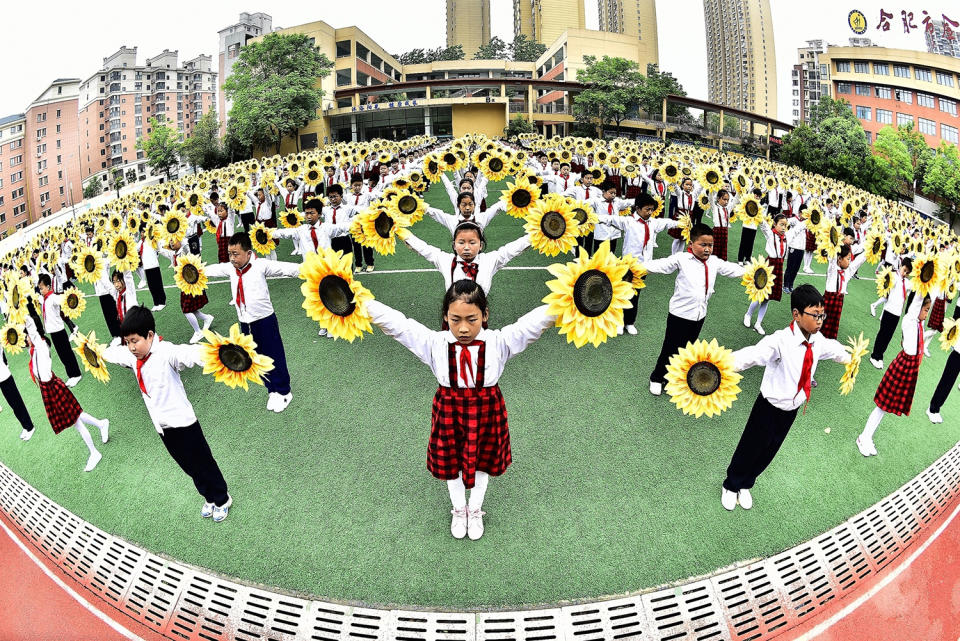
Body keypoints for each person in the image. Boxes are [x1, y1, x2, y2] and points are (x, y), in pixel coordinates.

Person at [366, 279, 556, 540]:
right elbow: (399, 325)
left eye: (472, 319)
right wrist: (360, 303)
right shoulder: (434, 342)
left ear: (485, 315)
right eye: (455, 320)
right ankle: (459, 509)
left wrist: (568, 301)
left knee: (482, 464)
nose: (464, 328)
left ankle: (475, 510)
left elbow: (533, 324)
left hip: (487, 409)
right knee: (451, 464)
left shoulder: (499, 341)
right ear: (445, 316)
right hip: (449, 409)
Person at [721, 284, 851, 511]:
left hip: (791, 409)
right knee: (751, 446)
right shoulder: (779, 341)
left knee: (770, 449)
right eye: (815, 315)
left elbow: (834, 349)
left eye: (823, 315)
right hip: (768, 407)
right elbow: (753, 355)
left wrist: (850, 358)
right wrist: (720, 363)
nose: (820, 320)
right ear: (797, 315)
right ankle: (731, 485)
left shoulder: (818, 341)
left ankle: (747, 483)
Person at [102, 306, 232, 522]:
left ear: (150, 335)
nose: (131, 347)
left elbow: (190, 353)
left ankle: (222, 498)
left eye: (135, 340)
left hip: (184, 423)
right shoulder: (132, 356)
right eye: (127, 342)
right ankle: (208, 496)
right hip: (162, 426)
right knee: (188, 466)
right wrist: (98, 352)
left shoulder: (166, 352)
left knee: (203, 462)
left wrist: (219, 355)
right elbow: (115, 355)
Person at [204, 232, 302, 412]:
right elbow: (211, 270)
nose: (232, 258)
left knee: (274, 355)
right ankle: (271, 389)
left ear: (248, 253)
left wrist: (310, 269)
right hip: (245, 322)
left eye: (236, 254)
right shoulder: (230, 269)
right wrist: (193, 269)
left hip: (264, 320)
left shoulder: (260, 265)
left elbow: (286, 268)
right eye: (230, 254)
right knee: (256, 357)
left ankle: (284, 391)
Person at [644, 224, 746, 395]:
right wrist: (636, 266)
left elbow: (732, 269)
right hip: (679, 314)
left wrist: (750, 272)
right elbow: (660, 265)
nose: (707, 249)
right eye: (703, 244)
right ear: (691, 243)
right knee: (670, 347)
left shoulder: (714, 262)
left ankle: (674, 377)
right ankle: (656, 377)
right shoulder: (682, 259)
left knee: (686, 349)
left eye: (710, 245)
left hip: (699, 315)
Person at [24, 318, 109, 472]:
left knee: (76, 420)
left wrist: (25, 317)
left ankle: (94, 452)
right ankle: (101, 424)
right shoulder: (35, 349)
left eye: (27, 335)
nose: (26, 338)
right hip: (48, 389)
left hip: (52, 388)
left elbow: (33, 330)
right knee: (77, 415)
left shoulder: (41, 345)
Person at [399, 222, 530, 316]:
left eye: (472, 242)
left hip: (478, 314)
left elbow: (512, 249)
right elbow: (425, 249)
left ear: (480, 245)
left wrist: (535, 235)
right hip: (453, 314)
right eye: (461, 242)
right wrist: (401, 231)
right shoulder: (446, 260)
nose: (466, 247)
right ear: (454, 245)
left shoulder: (490, 260)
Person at [857, 295, 931, 456]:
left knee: (885, 408)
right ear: (916, 307)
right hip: (903, 366)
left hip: (909, 369)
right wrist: (925, 276)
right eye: (925, 310)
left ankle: (867, 436)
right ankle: (863, 437)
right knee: (882, 406)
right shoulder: (910, 321)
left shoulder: (919, 323)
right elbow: (917, 301)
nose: (927, 314)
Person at [594, 192, 677, 334]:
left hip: (643, 266)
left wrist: (681, 223)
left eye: (652, 209)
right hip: (627, 266)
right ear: (637, 208)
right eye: (647, 209)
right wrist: (591, 217)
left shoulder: (653, 223)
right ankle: (618, 322)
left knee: (636, 294)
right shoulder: (628, 222)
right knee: (622, 293)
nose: (650, 212)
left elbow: (668, 222)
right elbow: (609, 219)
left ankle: (630, 322)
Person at [157, 240, 214, 344]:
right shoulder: (174, 253)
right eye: (170, 242)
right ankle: (207, 318)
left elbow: (194, 261)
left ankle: (198, 332)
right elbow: (164, 251)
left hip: (192, 283)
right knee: (191, 308)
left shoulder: (185, 249)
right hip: (185, 284)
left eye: (173, 241)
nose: (172, 243)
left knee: (187, 309)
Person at [36, 273, 82, 387]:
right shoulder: (45, 299)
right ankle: (71, 375)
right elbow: (38, 298)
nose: (41, 290)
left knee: (67, 353)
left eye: (42, 288)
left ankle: (76, 374)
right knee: (62, 355)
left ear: (48, 287)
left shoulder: (53, 298)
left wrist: (73, 294)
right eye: (39, 289)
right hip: (53, 332)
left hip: (59, 331)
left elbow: (64, 299)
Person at [870, 258, 913, 370]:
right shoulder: (893, 277)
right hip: (889, 311)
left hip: (897, 314)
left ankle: (880, 356)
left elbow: (914, 286)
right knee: (882, 334)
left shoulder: (907, 283)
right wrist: (894, 272)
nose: (905, 274)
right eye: (904, 270)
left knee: (888, 336)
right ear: (901, 266)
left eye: (908, 273)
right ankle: (874, 355)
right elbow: (887, 281)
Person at [427, 192, 505, 236]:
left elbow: (496, 207)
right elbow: (436, 213)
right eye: (464, 205)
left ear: (474, 205)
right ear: (458, 206)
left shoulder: (481, 218)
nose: (467, 208)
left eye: (470, 204)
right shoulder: (452, 220)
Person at [0, 349, 35, 440]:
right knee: (13, 405)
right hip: (2, 379)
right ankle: (25, 426)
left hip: (5, 377)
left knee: (17, 404)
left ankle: (30, 427)